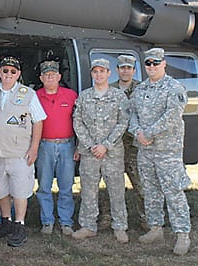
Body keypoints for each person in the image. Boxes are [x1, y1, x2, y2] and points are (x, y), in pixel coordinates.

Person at [129, 48, 191, 255]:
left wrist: (149, 133)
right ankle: (156, 228)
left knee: (173, 192)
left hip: (167, 151)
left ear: (164, 63)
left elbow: (173, 115)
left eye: (156, 63)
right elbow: (131, 114)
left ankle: (182, 234)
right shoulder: (140, 89)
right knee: (150, 191)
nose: (152, 67)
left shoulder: (174, 87)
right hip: (145, 151)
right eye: (148, 63)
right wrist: (138, 132)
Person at [0, 56, 46, 247]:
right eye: (5, 70)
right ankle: (6, 222)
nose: (8, 74)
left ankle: (19, 225)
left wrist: (34, 148)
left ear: (18, 74)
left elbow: (38, 121)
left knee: (20, 190)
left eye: (12, 71)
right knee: (0, 189)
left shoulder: (28, 94)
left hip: (20, 152)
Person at [72, 58, 130, 243]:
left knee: (116, 191)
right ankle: (88, 226)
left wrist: (106, 144)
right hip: (90, 153)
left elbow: (123, 122)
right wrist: (90, 145)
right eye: (95, 72)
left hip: (112, 153)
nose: (99, 75)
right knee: (88, 190)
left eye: (102, 71)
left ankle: (120, 226)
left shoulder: (119, 96)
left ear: (108, 73)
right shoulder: (84, 96)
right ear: (92, 74)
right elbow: (77, 121)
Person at [99, 54, 146, 229]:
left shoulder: (142, 89)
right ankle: (107, 217)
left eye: (129, 68)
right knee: (110, 183)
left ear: (134, 70)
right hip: (114, 145)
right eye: (122, 68)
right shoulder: (108, 89)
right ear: (117, 70)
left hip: (134, 147)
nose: (125, 71)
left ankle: (146, 219)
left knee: (141, 185)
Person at [35, 60, 78, 236]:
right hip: (44, 145)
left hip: (67, 145)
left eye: (53, 74)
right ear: (41, 77)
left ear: (59, 77)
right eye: (46, 74)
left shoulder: (71, 95)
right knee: (44, 186)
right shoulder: (34, 96)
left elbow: (79, 122)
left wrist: (79, 146)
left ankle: (66, 222)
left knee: (66, 186)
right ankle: (47, 221)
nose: (50, 77)